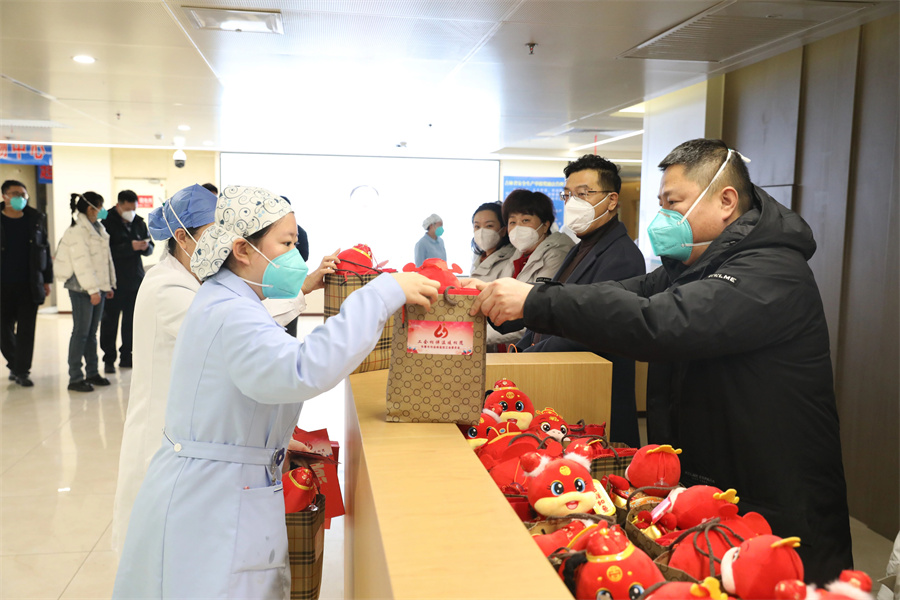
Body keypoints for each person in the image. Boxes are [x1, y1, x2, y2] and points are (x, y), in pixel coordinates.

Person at [470, 138, 852, 584]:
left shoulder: (770, 269)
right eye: (661, 203)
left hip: (774, 493)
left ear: (726, 201)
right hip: (716, 485)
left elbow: (661, 322)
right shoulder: (693, 263)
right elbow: (623, 293)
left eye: (674, 203)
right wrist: (532, 299)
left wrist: (536, 302)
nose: (664, 216)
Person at [113, 186, 439, 599]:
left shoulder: (232, 298)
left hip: (226, 484)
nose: (294, 255)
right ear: (242, 250)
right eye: (285, 244)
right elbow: (302, 368)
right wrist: (381, 294)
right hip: (211, 499)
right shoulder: (229, 312)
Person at [111, 185, 340, 556]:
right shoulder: (167, 286)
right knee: (158, 547)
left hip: (195, 432)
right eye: (209, 233)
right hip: (164, 433)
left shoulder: (200, 283)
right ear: (182, 238)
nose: (219, 243)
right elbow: (241, 328)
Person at [515, 156, 646, 447]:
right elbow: (555, 306)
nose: (573, 202)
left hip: (593, 391)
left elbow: (592, 326)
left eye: (583, 194)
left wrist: (530, 356)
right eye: (568, 195)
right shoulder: (582, 246)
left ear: (611, 201)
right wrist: (521, 348)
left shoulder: (623, 256)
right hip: (563, 379)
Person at [487, 189, 573, 349]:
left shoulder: (557, 254)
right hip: (507, 346)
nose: (518, 228)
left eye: (526, 220)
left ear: (545, 225)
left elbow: (534, 312)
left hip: (536, 348)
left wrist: (480, 334)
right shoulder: (516, 255)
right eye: (512, 222)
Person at [55, 192, 117, 392]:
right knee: (81, 333)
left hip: (97, 287)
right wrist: (93, 290)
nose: (102, 210)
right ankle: (75, 377)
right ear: (91, 208)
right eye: (100, 206)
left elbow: (105, 260)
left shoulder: (98, 228)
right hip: (82, 288)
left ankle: (92, 372)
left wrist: (108, 285)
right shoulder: (77, 231)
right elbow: (82, 263)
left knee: (91, 333)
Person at [0, 180, 53, 387]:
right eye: (15, 194)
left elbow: (44, 249)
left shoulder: (35, 219)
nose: (20, 198)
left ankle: (22, 371)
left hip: (29, 284)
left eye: (23, 194)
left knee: (26, 331)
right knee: (3, 330)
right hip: (3, 285)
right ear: (4, 196)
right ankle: (15, 363)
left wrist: (46, 279)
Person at [100, 190, 154, 373]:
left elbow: (150, 245)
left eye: (134, 209)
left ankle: (127, 356)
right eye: (128, 209)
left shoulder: (139, 222)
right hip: (114, 280)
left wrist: (145, 247)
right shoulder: (106, 222)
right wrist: (129, 247)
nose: (131, 212)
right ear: (119, 205)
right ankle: (108, 359)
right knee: (110, 322)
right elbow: (105, 251)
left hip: (134, 279)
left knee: (131, 322)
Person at [469, 201, 513, 281]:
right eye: (477, 226)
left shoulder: (511, 259)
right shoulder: (479, 258)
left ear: (503, 230)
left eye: (489, 226)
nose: (481, 231)